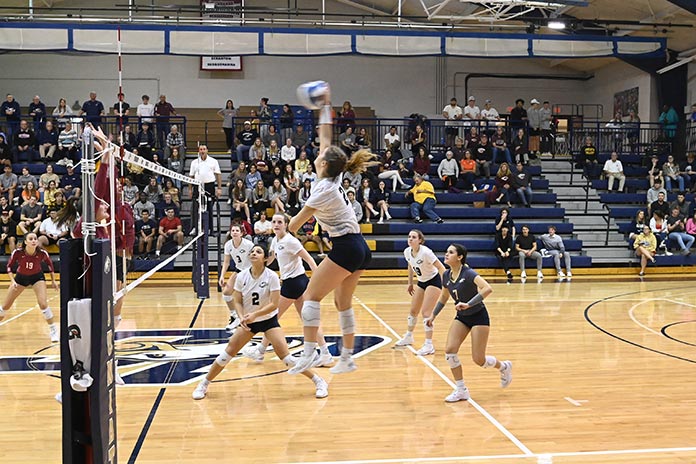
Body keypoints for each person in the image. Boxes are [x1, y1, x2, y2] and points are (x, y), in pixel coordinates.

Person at [287, 89, 377, 375]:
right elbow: (325, 136)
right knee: (342, 302)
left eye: (320, 155)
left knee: (310, 297)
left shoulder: (323, 189)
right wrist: (325, 105)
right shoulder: (332, 173)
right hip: (359, 247)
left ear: (323, 163)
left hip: (347, 247)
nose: (317, 153)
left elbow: (293, 225)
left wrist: (286, 233)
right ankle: (347, 358)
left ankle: (311, 353)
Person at [192, 245, 329, 400]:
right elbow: (237, 300)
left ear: (265, 258)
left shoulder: (272, 277)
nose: (253, 253)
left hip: (268, 321)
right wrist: (241, 316)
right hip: (249, 322)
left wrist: (254, 314)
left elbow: (274, 304)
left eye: (258, 252)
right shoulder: (242, 276)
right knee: (226, 354)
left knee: (287, 359)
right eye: (252, 251)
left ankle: (319, 381)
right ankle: (203, 384)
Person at [424, 243, 512, 402]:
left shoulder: (469, 273)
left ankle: (504, 366)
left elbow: (487, 288)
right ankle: (461, 389)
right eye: (446, 251)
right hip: (462, 317)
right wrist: (433, 316)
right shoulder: (446, 275)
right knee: (450, 351)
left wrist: (469, 304)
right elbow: (444, 297)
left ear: (459, 257)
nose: (446, 254)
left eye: (450, 252)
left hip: (478, 316)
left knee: (479, 360)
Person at [243, 215, 334, 366]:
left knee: (271, 317)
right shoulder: (275, 241)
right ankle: (325, 353)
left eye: (280, 222)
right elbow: (271, 258)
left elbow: (309, 260)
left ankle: (259, 351)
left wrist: (319, 280)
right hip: (293, 283)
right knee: (308, 320)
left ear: (286, 225)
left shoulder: (291, 241)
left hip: (295, 283)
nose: (276, 225)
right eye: (274, 222)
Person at [394, 230, 446, 355]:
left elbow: (441, 267)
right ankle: (409, 336)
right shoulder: (407, 251)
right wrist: (410, 283)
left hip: (434, 281)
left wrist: (446, 284)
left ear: (420, 240)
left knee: (426, 312)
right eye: (409, 237)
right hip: (421, 281)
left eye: (414, 237)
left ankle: (429, 344)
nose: (410, 239)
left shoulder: (426, 252)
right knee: (413, 311)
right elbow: (410, 266)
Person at [0, 232, 59, 341]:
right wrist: (13, 281)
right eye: (31, 239)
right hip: (20, 278)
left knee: (43, 303)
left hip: (37, 277)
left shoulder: (42, 253)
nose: (33, 241)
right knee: (6, 306)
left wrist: (53, 280)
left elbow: (50, 265)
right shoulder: (18, 252)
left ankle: (53, 330)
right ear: (25, 242)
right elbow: (9, 266)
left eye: (35, 239)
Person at [219, 224, 255, 331]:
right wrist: (222, 276)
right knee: (226, 292)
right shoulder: (228, 245)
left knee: (246, 297)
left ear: (241, 233)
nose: (234, 232)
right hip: (239, 270)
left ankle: (248, 319)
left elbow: (256, 258)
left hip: (250, 271)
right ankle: (234, 316)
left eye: (237, 230)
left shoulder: (248, 244)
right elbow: (226, 262)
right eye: (232, 230)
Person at [189, 145, 222, 235]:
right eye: (201, 149)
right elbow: (191, 176)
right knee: (196, 207)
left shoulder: (213, 161)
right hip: (197, 185)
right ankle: (195, 227)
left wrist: (219, 188)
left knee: (209, 207)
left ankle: (210, 229)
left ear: (207, 150)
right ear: (198, 151)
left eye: (204, 149)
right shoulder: (194, 162)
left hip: (209, 186)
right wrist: (190, 189)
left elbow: (218, 174)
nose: (202, 151)